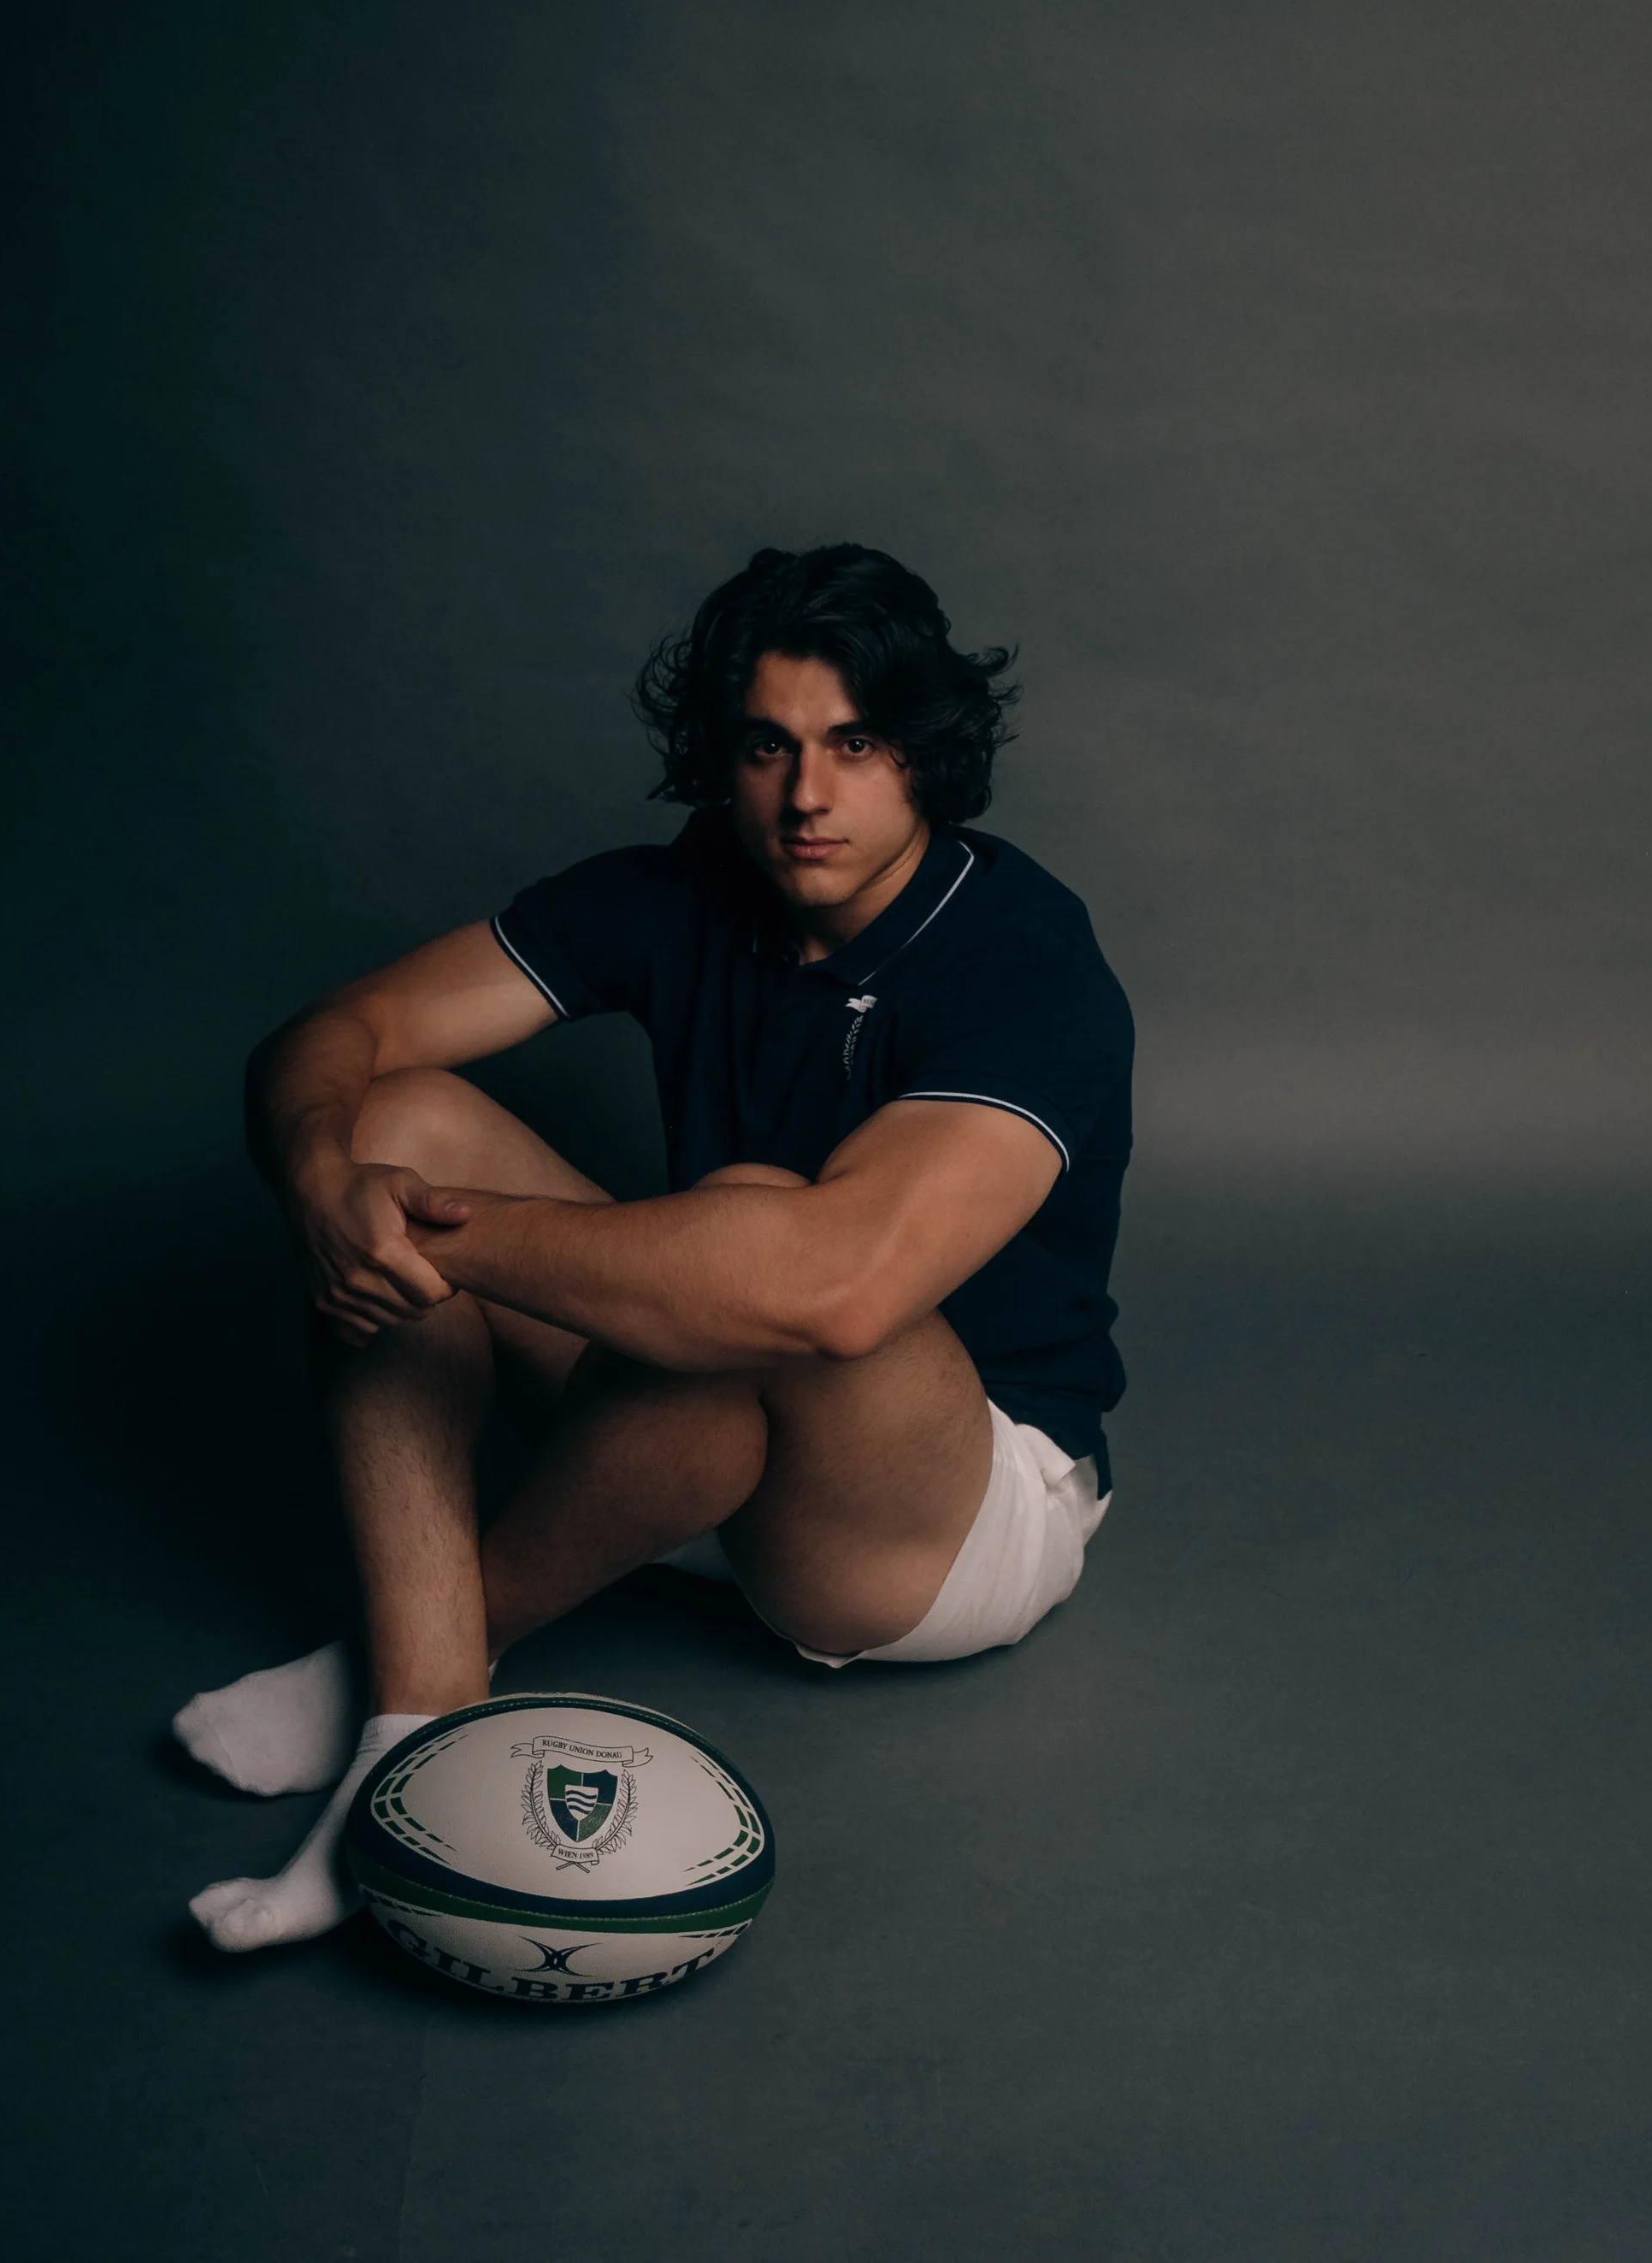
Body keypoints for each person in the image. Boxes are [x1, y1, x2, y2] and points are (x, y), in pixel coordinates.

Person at [180, 543, 1135, 1951]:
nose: (807, 795)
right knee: (396, 1122)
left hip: (946, 1517)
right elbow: (335, 1040)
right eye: (768, 746)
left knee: (756, 1246)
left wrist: (441, 1235)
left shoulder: (1024, 956)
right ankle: (419, 1725)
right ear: (723, 756)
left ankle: (396, 1680)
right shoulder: (687, 893)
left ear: (925, 754)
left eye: (855, 744)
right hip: (691, 1442)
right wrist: (332, 1181)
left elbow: (835, 1291)